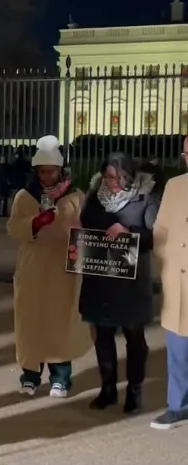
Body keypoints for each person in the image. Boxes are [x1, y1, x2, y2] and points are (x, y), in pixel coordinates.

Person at [7, 135, 92, 398]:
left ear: (60, 170)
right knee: (31, 321)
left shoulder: (76, 196)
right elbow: (13, 228)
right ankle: (30, 375)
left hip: (62, 268)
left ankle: (61, 377)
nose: (47, 176)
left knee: (60, 320)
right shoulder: (25, 196)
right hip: (32, 267)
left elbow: (87, 227)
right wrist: (34, 223)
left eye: (51, 171)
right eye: (42, 172)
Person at [79, 152, 159, 414]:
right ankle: (108, 389)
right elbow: (85, 225)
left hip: (131, 283)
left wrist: (129, 232)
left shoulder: (145, 198)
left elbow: (154, 236)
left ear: (130, 176)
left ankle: (134, 392)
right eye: (108, 176)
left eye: (118, 177)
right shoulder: (95, 198)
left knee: (134, 338)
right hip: (100, 278)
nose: (112, 182)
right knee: (102, 335)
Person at [150, 136, 188, 429]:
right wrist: (165, 263)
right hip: (178, 281)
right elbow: (160, 229)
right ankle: (179, 406)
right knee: (177, 348)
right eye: (187, 153)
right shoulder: (175, 185)